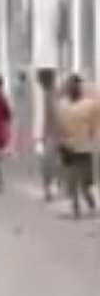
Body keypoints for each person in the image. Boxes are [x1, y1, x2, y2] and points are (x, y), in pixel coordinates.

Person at [55, 75, 100, 219]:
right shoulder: (64, 105)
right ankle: (77, 207)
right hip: (70, 146)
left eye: (74, 86)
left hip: (82, 146)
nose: (72, 89)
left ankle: (89, 205)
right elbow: (60, 126)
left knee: (84, 181)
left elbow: (94, 126)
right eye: (70, 86)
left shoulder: (89, 105)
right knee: (74, 179)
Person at [36, 68, 63, 201]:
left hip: (55, 133)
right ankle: (53, 188)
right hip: (54, 133)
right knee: (54, 162)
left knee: (48, 162)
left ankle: (50, 189)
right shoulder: (50, 93)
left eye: (40, 80)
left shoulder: (52, 94)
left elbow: (54, 115)